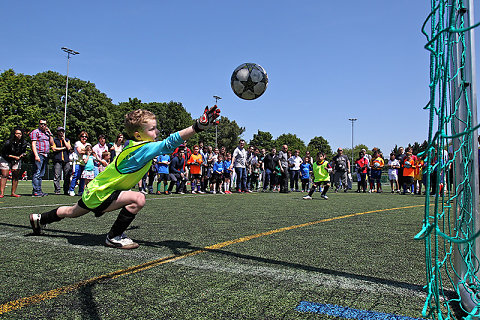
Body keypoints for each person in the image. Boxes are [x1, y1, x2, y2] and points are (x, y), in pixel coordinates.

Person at [30, 106, 220, 249]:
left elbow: (167, 143)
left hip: (96, 190)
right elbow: (172, 141)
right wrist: (197, 126)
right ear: (139, 134)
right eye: (153, 129)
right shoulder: (144, 148)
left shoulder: (132, 145)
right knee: (138, 198)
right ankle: (114, 236)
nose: (157, 132)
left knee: (72, 212)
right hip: (103, 193)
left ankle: (39, 218)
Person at [0, 127, 28, 198]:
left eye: (20, 134)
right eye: (17, 133)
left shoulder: (24, 143)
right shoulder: (8, 142)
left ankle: (13, 193)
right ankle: (2, 193)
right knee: (4, 174)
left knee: (15, 175)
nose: (19, 135)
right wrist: (14, 157)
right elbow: (4, 153)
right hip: (6, 158)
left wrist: (22, 155)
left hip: (17, 159)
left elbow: (24, 152)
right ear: (14, 134)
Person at [30, 119, 53, 197]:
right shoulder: (35, 132)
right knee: (37, 173)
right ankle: (36, 191)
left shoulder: (46, 133)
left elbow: (52, 143)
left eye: (44, 124)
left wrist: (50, 134)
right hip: (39, 154)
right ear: (39, 124)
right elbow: (33, 144)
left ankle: (38, 190)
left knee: (41, 174)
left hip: (45, 155)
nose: (43, 125)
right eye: (41, 124)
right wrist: (36, 155)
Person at [51, 127, 72, 195]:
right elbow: (54, 148)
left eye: (62, 131)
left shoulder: (67, 140)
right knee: (57, 175)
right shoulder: (55, 140)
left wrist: (64, 141)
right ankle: (57, 190)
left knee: (67, 176)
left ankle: (66, 190)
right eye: (60, 131)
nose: (61, 132)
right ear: (57, 132)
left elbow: (69, 147)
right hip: (58, 160)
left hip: (66, 160)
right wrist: (63, 148)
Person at [68, 131, 89, 196]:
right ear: (80, 137)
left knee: (83, 177)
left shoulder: (88, 144)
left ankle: (81, 191)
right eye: (83, 136)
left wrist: (85, 151)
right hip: (77, 162)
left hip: (84, 163)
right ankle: (71, 189)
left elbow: (90, 151)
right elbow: (79, 151)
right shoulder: (78, 143)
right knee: (76, 176)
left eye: (85, 137)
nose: (84, 138)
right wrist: (86, 151)